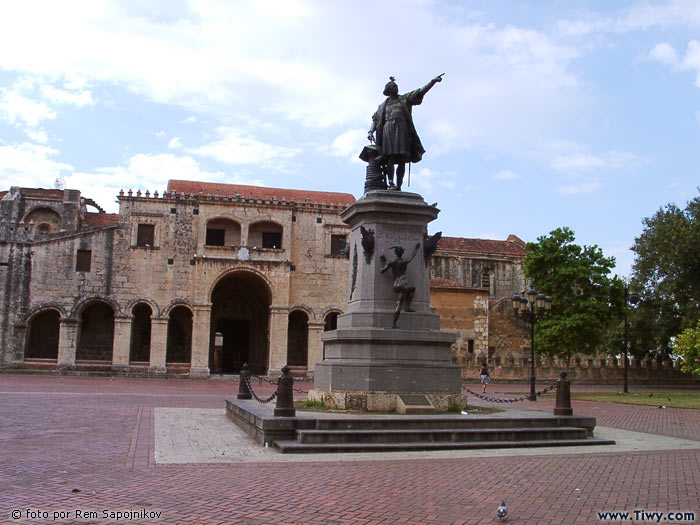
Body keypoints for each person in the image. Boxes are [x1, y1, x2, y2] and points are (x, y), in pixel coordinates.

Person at [368, 74, 443, 190]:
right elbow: (375, 120)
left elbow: (419, 92)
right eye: (394, 87)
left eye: (396, 86)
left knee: (402, 158)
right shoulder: (382, 106)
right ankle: (391, 182)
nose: (396, 88)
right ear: (389, 90)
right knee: (390, 158)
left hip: (402, 130)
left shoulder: (404, 99)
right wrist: (370, 131)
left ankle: (398, 185)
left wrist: (432, 82)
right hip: (388, 132)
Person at [379, 242, 421, 328]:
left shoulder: (392, 262)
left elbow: (382, 271)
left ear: (395, 253)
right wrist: (416, 248)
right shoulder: (404, 261)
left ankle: (397, 320)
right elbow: (412, 256)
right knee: (404, 298)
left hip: (396, 284)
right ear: (402, 253)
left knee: (410, 290)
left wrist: (383, 262)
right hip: (403, 283)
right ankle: (406, 309)